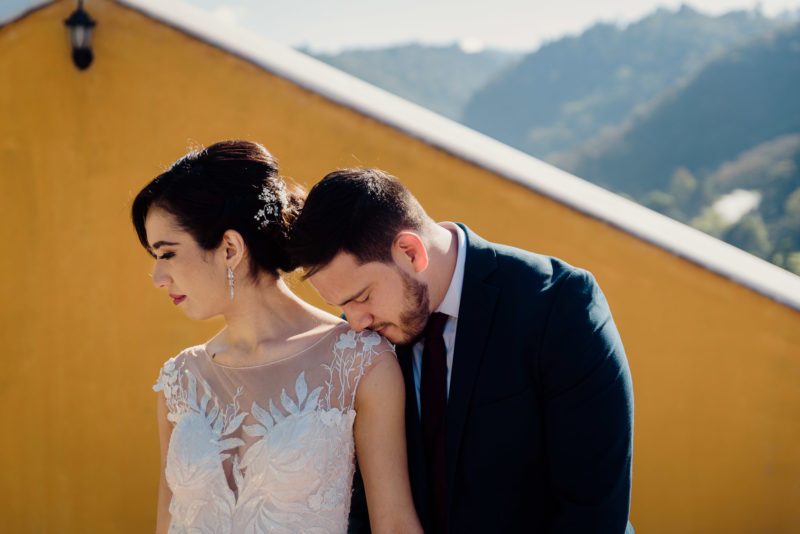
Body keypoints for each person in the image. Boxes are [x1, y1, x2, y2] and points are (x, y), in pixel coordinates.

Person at [287, 168, 635, 534]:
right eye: (344, 306)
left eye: (362, 297)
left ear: (410, 251)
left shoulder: (559, 306)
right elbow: (361, 508)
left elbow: (594, 515)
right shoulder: (365, 341)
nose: (356, 322)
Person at [131, 141, 422, 534]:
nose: (157, 279)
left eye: (167, 254)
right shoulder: (179, 380)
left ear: (230, 248)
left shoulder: (357, 362)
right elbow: (167, 525)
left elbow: (394, 524)